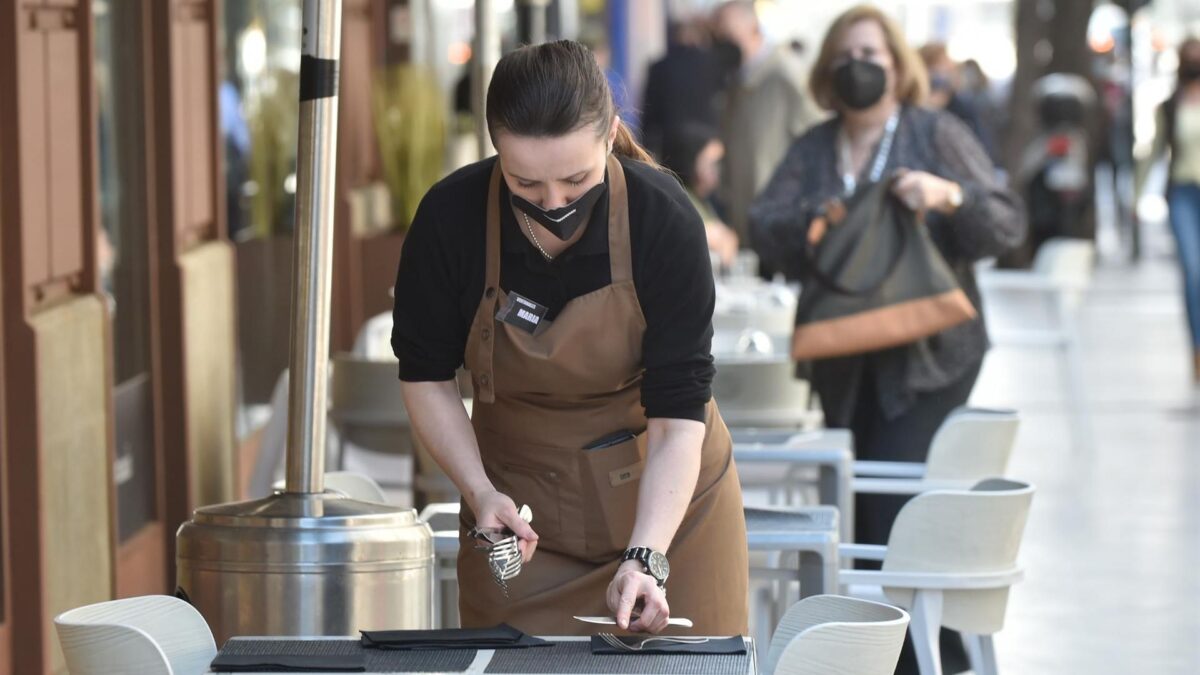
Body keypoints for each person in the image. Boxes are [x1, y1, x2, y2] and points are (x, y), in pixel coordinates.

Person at [391, 40, 748, 636]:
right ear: (495, 149)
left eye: (576, 180)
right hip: (518, 517)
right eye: (525, 184)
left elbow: (677, 414)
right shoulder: (449, 219)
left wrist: (647, 557)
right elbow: (425, 376)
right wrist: (479, 493)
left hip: (669, 506)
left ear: (610, 135)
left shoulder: (662, 218)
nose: (553, 203)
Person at [749, 6, 1025, 672]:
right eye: (845, 55)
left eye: (871, 53)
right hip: (845, 358)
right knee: (865, 510)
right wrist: (815, 220)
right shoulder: (817, 148)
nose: (859, 66)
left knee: (889, 510)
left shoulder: (936, 133)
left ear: (898, 66)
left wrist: (946, 196)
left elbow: (1006, 223)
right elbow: (763, 223)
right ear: (826, 72)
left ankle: (922, 656)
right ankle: (934, 652)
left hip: (933, 356)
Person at [711, 0, 822, 246]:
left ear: (752, 28)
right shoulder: (735, 81)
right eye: (718, 35)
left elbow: (817, 135)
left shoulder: (786, 73)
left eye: (729, 33)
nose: (722, 42)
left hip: (779, 221)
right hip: (744, 216)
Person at [1144, 37, 1200, 384]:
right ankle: (1197, 347)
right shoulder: (1170, 104)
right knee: (1194, 272)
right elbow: (1153, 151)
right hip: (1182, 193)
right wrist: (1138, 196)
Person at [658, 123, 739, 268]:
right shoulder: (678, 199)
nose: (717, 172)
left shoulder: (706, 201)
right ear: (691, 160)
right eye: (712, 165)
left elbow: (730, 240)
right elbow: (710, 237)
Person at [640, 18, 724, 158]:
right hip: (706, 141)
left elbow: (650, 110)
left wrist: (647, 147)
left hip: (671, 140)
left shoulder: (659, 66)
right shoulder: (713, 64)